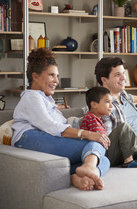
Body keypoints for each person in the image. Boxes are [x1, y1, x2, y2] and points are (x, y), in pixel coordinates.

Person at [11, 48, 109, 191]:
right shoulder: (31, 97)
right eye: (51, 75)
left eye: (57, 76)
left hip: (45, 139)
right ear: (35, 76)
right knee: (94, 143)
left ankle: (81, 174)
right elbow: (51, 126)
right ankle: (89, 168)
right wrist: (87, 133)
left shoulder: (46, 100)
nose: (56, 81)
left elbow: (57, 124)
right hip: (28, 138)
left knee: (102, 158)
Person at [81, 86, 137, 168]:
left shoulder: (97, 119)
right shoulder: (90, 118)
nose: (111, 106)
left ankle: (130, 158)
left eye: (112, 102)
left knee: (127, 131)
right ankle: (128, 161)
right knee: (124, 127)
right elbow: (100, 142)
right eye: (107, 102)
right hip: (100, 154)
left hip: (104, 152)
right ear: (94, 104)